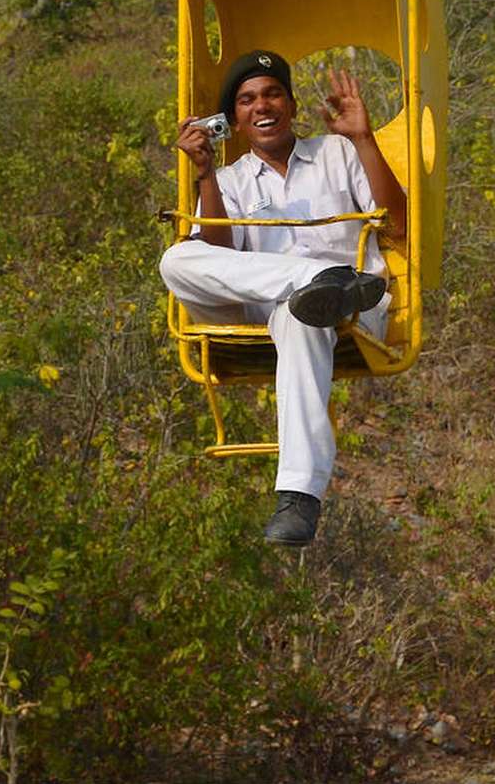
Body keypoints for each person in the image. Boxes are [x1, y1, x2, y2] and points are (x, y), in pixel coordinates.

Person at [159, 50, 406, 546]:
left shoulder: (337, 153)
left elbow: (399, 225)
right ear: (234, 121)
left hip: (344, 312)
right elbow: (220, 257)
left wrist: (363, 138)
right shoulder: (230, 180)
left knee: (301, 316)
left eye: (272, 94)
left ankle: (298, 496)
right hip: (264, 303)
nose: (262, 105)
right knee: (176, 261)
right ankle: (322, 279)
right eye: (247, 100)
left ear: (291, 105)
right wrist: (205, 173)